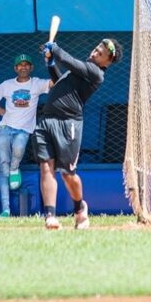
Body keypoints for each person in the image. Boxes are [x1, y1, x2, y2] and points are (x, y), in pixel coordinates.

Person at [34, 37, 122, 230]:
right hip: (47, 120)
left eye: (101, 54)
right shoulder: (80, 72)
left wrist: (55, 49)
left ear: (107, 62)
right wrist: (50, 63)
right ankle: (50, 216)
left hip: (68, 124)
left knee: (67, 174)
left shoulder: (96, 73)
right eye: (97, 48)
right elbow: (60, 82)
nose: (95, 52)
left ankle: (79, 208)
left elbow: (69, 62)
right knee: (46, 168)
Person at [0, 53, 51, 218]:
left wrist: (52, 60)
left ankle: (15, 168)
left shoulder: (36, 83)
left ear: (31, 67)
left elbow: (54, 83)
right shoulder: (7, 85)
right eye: (20, 65)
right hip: (4, 128)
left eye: (26, 64)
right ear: (15, 68)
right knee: (3, 166)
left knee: (18, 151)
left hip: (23, 130)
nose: (23, 67)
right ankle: (6, 209)